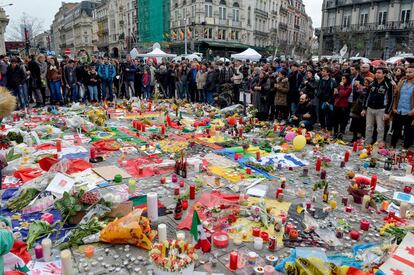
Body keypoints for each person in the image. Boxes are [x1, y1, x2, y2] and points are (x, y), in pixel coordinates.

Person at [362, 67, 394, 146]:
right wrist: (364, 108)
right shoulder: (372, 83)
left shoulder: (388, 84)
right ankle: (367, 143)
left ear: (384, 74)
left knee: (380, 128)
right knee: (368, 127)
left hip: (381, 109)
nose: (377, 74)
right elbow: (367, 96)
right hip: (370, 108)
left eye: (379, 72)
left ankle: (379, 144)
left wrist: (387, 112)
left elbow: (391, 99)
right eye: (376, 72)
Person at [391, 65, 414, 148]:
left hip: (410, 112)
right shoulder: (402, 82)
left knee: (409, 132)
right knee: (396, 131)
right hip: (399, 111)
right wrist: (394, 108)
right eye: (407, 72)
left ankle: (405, 150)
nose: (408, 74)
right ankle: (392, 148)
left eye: (410, 72)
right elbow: (395, 96)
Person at [350, 77, 372, 142]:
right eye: (364, 82)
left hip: (365, 108)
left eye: (367, 83)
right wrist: (356, 88)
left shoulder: (370, 90)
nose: (365, 84)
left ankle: (360, 139)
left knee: (362, 124)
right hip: (358, 108)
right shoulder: (362, 89)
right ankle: (354, 138)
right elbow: (356, 95)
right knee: (355, 123)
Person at [317, 66, 337, 133]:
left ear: (328, 73)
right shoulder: (321, 81)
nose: (322, 72)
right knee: (321, 115)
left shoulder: (333, 82)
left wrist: (329, 101)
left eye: (324, 71)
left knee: (329, 116)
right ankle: (322, 128)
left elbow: (334, 93)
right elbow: (318, 90)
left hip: (329, 102)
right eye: (322, 71)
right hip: (321, 100)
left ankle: (329, 130)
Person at [333, 74, 352, 139]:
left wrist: (341, 86)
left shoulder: (349, 87)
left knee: (342, 121)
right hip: (337, 104)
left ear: (347, 79)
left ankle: (340, 134)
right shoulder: (340, 85)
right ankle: (335, 133)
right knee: (335, 120)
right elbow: (336, 95)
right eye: (342, 79)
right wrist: (335, 92)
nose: (342, 80)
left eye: (344, 79)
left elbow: (344, 94)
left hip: (343, 106)